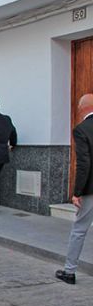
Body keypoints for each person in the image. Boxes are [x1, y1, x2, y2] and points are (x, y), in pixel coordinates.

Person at [56, 94, 93, 285]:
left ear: (81, 109)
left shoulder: (82, 129)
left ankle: (69, 271)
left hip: (90, 189)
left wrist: (77, 192)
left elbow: (83, 163)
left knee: (79, 229)